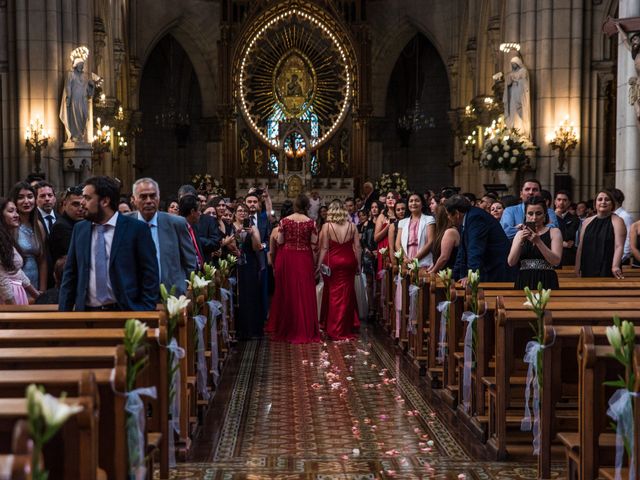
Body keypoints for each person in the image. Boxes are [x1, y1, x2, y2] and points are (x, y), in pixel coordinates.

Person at [59, 176, 159, 311]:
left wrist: (144, 310)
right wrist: (64, 315)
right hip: (87, 313)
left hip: (125, 312)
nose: (82, 202)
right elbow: (70, 275)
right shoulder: (80, 229)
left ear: (105, 201)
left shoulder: (136, 229)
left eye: (88, 198)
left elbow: (149, 275)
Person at [266, 195, 320, 343]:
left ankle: (290, 327)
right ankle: (305, 327)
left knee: (289, 291)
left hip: (288, 258)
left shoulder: (284, 221)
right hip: (304, 258)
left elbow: (281, 240)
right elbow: (315, 246)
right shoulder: (311, 223)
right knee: (304, 291)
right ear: (307, 206)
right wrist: (315, 265)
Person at [130, 178, 197, 295]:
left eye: (152, 196)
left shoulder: (177, 223)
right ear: (134, 200)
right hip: (135, 296)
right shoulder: (124, 223)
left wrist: (184, 288)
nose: (149, 201)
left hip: (171, 296)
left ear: (159, 198)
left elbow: (190, 261)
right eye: (143, 197)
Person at [317, 200, 361, 340]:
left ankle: (335, 328)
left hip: (333, 263)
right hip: (349, 261)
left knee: (334, 294)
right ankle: (345, 326)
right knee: (347, 295)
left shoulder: (326, 226)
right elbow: (357, 248)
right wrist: (358, 265)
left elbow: (323, 248)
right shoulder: (352, 226)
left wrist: (318, 265)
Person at [445, 194, 513, 284]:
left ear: (457, 213)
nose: (448, 218)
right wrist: (453, 275)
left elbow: (475, 248)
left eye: (448, 214)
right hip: (489, 270)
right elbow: (462, 252)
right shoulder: (467, 219)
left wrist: (471, 275)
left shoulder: (475, 218)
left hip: (495, 271)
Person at [508, 197, 562, 289]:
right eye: (530, 213)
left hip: (546, 278)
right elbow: (511, 262)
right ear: (525, 215)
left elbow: (556, 261)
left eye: (538, 213)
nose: (534, 218)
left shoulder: (554, 232)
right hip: (524, 278)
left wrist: (538, 242)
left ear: (545, 215)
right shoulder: (519, 234)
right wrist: (520, 241)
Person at [575, 190, 626, 278]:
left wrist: (615, 266)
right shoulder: (587, 222)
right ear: (595, 204)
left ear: (612, 204)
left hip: (607, 265)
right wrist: (577, 266)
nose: (603, 202)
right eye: (600, 199)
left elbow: (619, 246)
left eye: (607, 199)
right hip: (588, 265)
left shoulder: (617, 221)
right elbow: (580, 247)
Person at [0, 197, 41, 304]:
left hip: (16, 296)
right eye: (11, 211)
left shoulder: (6, 239)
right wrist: (13, 309)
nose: (17, 215)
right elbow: (2, 278)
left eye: (16, 211)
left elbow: (16, 272)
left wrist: (37, 295)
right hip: (7, 300)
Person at [232, 203, 264, 339]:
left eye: (244, 211)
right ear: (235, 213)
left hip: (250, 262)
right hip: (235, 262)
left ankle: (252, 329)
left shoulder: (253, 227)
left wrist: (252, 234)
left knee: (250, 294)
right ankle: (239, 329)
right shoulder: (231, 226)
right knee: (238, 295)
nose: (242, 213)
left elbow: (258, 247)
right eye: (239, 211)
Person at [11, 182, 47, 291]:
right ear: (14, 201)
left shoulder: (38, 225)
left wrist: (42, 290)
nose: (26, 201)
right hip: (15, 282)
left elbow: (42, 260)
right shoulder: (10, 226)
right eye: (21, 197)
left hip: (35, 279)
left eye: (30, 197)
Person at [59, 51, 95, 142]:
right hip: (74, 99)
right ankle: (75, 135)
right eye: (80, 64)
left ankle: (81, 134)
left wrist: (91, 86)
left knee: (84, 116)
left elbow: (88, 92)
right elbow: (68, 86)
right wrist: (68, 97)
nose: (82, 66)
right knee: (75, 117)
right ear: (76, 64)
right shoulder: (70, 74)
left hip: (82, 100)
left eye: (82, 65)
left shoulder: (84, 76)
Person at [395, 194, 436, 268]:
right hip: (406, 261)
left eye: (417, 201)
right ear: (408, 205)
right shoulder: (402, 222)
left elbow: (430, 242)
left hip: (423, 259)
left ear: (422, 204)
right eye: (411, 201)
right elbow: (397, 244)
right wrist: (405, 259)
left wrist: (415, 259)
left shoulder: (429, 219)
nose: (413, 203)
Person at [49, 185, 85, 265]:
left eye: (83, 204)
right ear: (64, 204)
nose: (80, 209)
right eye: (75, 204)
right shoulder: (61, 227)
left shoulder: (82, 223)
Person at [616, 22, 640, 123]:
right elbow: (625, 39)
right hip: (638, 82)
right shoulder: (634, 53)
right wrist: (619, 28)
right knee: (637, 111)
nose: (633, 42)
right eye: (633, 40)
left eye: (635, 39)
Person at [503, 56, 531, 138]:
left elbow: (525, 84)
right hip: (513, 93)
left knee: (520, 112)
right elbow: (508, 85)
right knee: (513, 111)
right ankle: (513, 130)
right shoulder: (512, 73)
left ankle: (521, 131)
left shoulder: (523, 71)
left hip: (520, 94)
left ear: (518, 63)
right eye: (512, 64)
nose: (513, 66)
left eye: (514, 64)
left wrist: (516, 80)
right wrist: (508, 81)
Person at [178, 195, 207, 273]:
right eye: (199, 210)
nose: (200, 213)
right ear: (192, 212)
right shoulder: (179, 230)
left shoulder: (193, 228)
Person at [428, 205, 460, 273]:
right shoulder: (442, 232)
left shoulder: (450, 231)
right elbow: (438, 256)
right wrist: (432, 267)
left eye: (435, 216)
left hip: (449, 273)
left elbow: (444, 257)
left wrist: (433, 272)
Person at [358, 207, 377, 317]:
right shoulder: (360, 227)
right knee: (368, 282)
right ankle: (370, 307)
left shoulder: (372, 224)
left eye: (363, 215)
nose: (361, 218)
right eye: (360, 216)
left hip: (375, 252)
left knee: (374, 281)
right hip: (366, 255)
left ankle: (375, 307)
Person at [554, 190, 580, 266]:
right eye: (559, 200)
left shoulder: (575, 219)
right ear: (555, 201)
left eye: (564, 200)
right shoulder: (548, 218)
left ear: (569, 203)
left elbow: (568, 236)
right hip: (552, 256)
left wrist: (559, 218)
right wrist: (562, 243)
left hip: (568, 258)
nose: (561, 203)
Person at [374, 192, 397, 273]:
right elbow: (376, 238)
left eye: (393, 197)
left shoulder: (401, 214)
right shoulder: (382, 216)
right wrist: (387, 227)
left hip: (397, 248)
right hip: (384, 248)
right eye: (388, 198)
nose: (390, 199)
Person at [268, 200, 293, 268]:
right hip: (295, 260)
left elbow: (271, 253)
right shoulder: (299, 230)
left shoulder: (275, 230)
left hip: (281, 261)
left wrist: (273, 266)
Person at [612, 188, 633, 264]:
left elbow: (629, 240)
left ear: (614, 201)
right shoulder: (613, 215)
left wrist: (620, 259)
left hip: (620, 260)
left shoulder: (625, 216)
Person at [387, 198, 407, 265]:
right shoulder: (393, 226)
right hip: (399, 258)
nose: (401, 211)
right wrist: (394, 263)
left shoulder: (412, 222)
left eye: (403, 209)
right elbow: (391, 247)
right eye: (398, 210)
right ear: (395, 212)